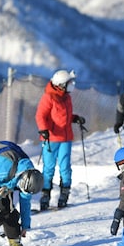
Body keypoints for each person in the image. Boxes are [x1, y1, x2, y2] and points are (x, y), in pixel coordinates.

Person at [36, 69, 86, 210]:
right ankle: (45, 195)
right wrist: (43, 129)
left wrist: (74, 118)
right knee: (49, 167)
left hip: (65, 137)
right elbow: (41, 116)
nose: (72, 85)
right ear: (61, 84)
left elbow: (64, 116)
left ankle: (64, 193)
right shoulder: (48, 97)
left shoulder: (66, 97)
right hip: (51, 138)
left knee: (65, 167)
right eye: (69, 83)